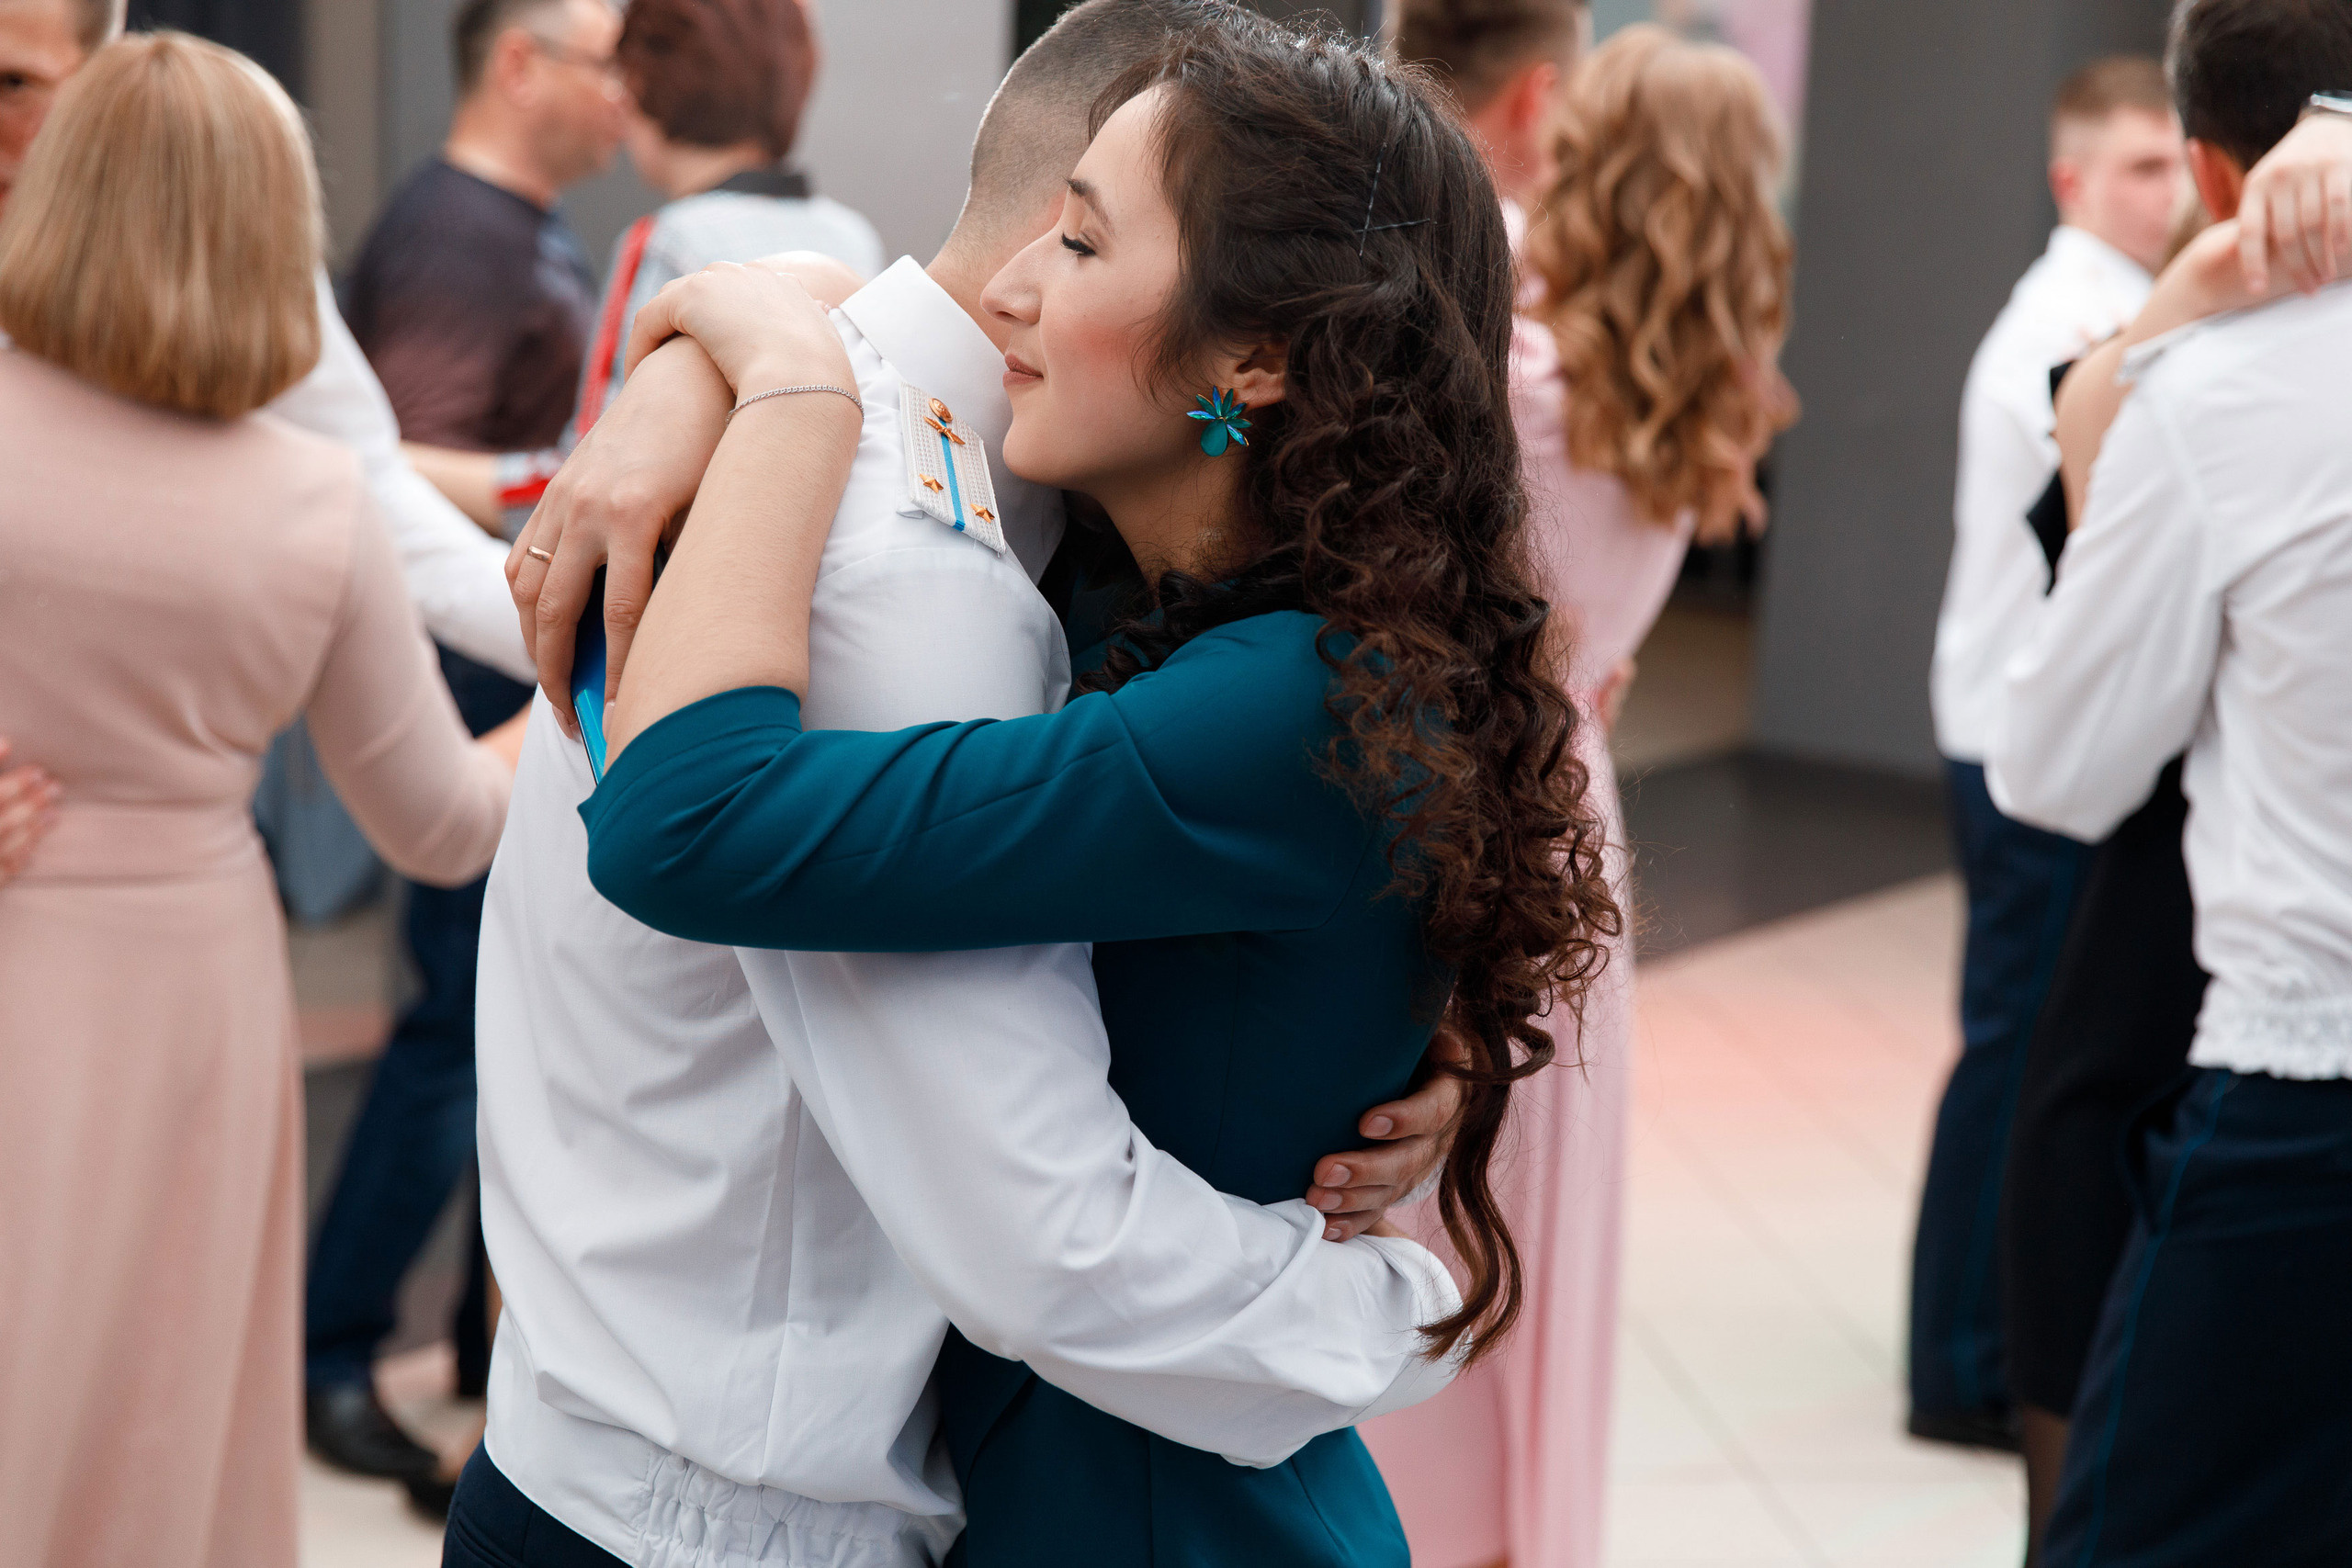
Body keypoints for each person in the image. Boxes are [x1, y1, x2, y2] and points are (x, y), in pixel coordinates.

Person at [560, 11, 1621, 1563]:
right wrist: (737, 325)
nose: (1006, 285)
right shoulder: (1211, 608)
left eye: (1077, 240)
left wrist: (787, 385)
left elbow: (680, 822)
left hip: (1155, 1514)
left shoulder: (1289, 703)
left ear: (1253, 357)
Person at [0, 32, 518, 1568]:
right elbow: (438, 824)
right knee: (160, 1387)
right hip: (192, 984)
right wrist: (581, 708)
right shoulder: (315, 510)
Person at [1363, 19, 1796, 1568]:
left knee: (1416, 1228)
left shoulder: (1506, 362)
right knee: (1525, 1243)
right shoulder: (1699, 387)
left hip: (1452, 798)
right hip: (1577, 808)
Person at [1986, 0, 2352, 1558]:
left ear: (2210, 170)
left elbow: (2056, 768)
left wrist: (2149, 355)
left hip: (2302, 1088)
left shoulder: (2219, 391)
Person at [300, 0, 623, 1496]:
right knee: (449, 1044)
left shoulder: (517, 236)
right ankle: (336, 1350)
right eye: (606, 56)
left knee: (469, 1047)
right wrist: (524, 709)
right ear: (517, 62)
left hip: (510, 686)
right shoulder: (451, 242)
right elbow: (392, 529)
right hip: (470, 698)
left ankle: (413, 1347)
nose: (630, 93)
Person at [1911, 53, 2184, 1451]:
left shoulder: (2125, 310)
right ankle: (1962, 1359)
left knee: (2024, 1049)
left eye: (2178, 158)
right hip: (2019, 742)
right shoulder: (2064, 328)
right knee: (2016, 1056)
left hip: (2032, 734)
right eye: (2139, 164)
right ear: (2073, 178)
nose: (2170, 185)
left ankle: (1978, 1340)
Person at [405, 0, 885, 536]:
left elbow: (592, 477)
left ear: (646, 83)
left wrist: (397, 465)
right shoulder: (851, 237)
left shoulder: (665, 241)